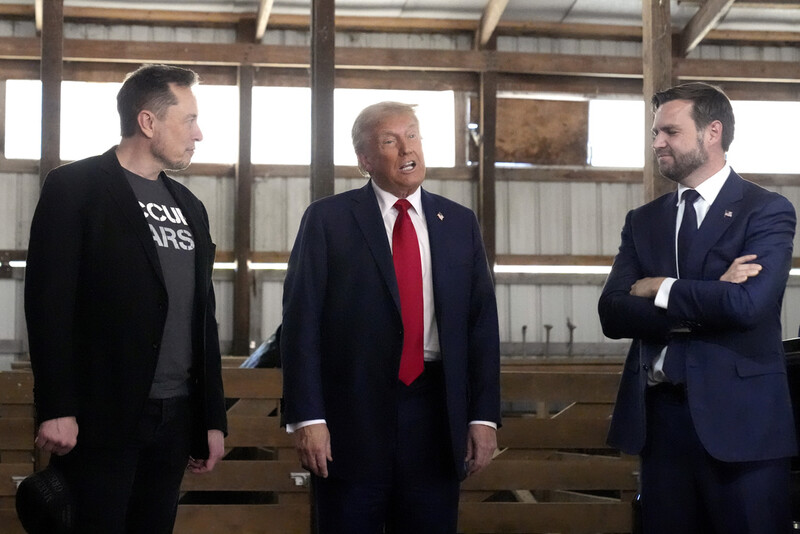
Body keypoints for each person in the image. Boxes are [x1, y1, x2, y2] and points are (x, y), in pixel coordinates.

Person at [280, 101, 501, 533]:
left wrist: (483, 416)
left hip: (436, 414)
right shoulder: (327, 220)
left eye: (412, 135)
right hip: (350, 419)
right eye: (389, 141)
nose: (406, 148)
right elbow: (301, 323)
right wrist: (308, 418)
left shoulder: (459, 223)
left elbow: (481, 326)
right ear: (365, 159)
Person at [24, 64, 227, 533]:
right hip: (101, 414)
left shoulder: (190, 207)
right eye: (189, 120)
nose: (199, 134)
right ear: (148, 122)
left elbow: (203, 317)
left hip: (176, 416)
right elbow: (48, 303)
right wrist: (56, 406)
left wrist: (211, 417)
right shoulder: (75, 188)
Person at [599, 82, 797, 533]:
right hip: (661, 422)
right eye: (655, 133)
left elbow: (748, 305)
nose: (657, 143)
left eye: (670, 131)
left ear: (712, 132)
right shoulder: (644, 220)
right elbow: (612, 312)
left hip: (742, 425)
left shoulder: (766, 211)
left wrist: (660, 287)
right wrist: (710, 294)